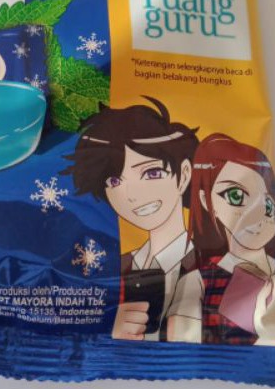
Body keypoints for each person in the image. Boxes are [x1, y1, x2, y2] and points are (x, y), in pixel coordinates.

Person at [63, 98, 202, 342]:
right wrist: (109, 326)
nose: (132, 195)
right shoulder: (116, 266)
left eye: (152, 172)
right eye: (115, 181)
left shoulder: (209, 267)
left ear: (184, 175)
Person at [188, 133, 275, 347]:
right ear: (206, 200)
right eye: (236, 196)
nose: (257, 214)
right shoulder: (201, 280)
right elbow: (192, 352)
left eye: (267, 204)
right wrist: (273, 335)